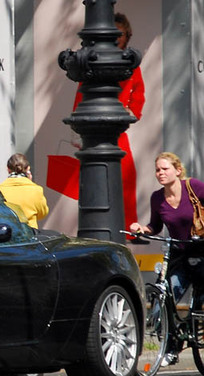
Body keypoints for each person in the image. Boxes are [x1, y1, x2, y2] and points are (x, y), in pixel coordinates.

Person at [130, 152, 204, 366]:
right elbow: (155, 225)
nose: (160, 173)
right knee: (169, 294)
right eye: (157, 170)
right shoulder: (157, 198)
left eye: (165, 169)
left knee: (199, 297)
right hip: (178, 253)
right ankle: (172, 347)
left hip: (200, 250)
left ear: (177, 171)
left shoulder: (194, 187)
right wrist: (142, 228)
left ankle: (195, 322)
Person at [73, 12, 145, 231]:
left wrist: (129, 112)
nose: (117, 38)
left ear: (127, 36)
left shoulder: (130, 63)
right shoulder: (93, 60)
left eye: (120, 34)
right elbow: (80, 94)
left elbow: (139, 96)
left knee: (127, 175)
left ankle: (129, 227)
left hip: (117, 126)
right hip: (96, 125)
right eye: (113, 33)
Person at [0, 153, 49, 229]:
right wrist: (30, 182)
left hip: (7, 234)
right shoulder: (36, 189)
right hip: (30, 234)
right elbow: (42, 213)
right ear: (28, 168)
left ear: (8, 169)